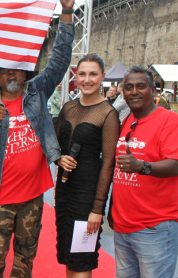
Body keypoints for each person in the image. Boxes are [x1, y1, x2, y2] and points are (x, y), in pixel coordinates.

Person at [0, 0, 75, 276]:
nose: (13, 73)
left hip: (32, 199)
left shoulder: (37, 93)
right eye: (6, 70)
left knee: (25, 265)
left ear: (26, 72)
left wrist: (65, 13)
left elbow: (60, 60)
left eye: (18, 68)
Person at [54, 54, 119, 277]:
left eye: (93, 74)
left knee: (82, 259)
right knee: (69, 257)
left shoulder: (108, 113)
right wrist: (59, 159)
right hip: (64, 192)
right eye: (82, 74)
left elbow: (109, 163)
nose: (87, 79)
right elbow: (55, 145)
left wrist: (97, 210)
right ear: (76, 76)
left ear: (102, 77)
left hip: (88, 196)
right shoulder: (69, 107)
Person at [111, 65, 178, 278]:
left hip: (154, 228)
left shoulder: (170, 120)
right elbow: (118, 170)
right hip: (123, 227)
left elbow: (175, 164)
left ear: (154, 90)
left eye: (141, 86)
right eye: (128, 87)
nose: (134, 92)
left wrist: (142, 166)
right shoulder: (128, 120)